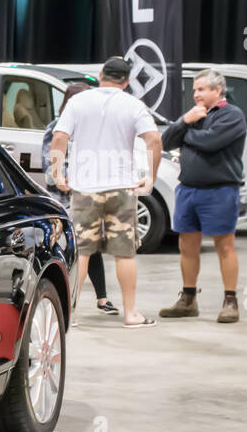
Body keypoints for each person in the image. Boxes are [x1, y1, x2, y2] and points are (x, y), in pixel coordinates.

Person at [49, 56, 163, 328]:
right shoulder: (134, 105)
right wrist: (150, 177)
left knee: (83, 252)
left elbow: (59, 137)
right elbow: (154, 139)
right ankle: (131, 314)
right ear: (127, 81)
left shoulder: (78, 102)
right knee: (125, 253)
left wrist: (57, 173)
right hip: (121, 187)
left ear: (101, 75)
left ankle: (70, 314)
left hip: (85, 187)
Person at [157, 68, 247, 323]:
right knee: (186, 245)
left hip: (220, 190)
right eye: (194, 90)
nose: (196, 94)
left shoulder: (232, 115)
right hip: (188, 190)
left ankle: (230, 301)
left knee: (224, 245)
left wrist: (187, 134)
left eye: (201, 89)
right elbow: (166, 141)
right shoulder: (194, 115)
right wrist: (184, 121)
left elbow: (210, 142)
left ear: (217, 91)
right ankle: (188, 299)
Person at [42, 81, 117, 316]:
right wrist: (73, 180)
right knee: (70, 251)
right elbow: (50, 171)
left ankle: (102, 299)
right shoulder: (56, 128)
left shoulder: (93, 129)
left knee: (91, 247)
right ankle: (65, 302)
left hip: (90, 196)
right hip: (65, 201)